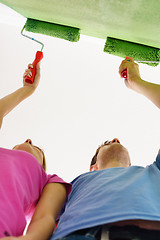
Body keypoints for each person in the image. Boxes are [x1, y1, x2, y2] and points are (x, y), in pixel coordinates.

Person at [50, 57, 160, 240]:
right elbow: (45, 219)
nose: (116, 139)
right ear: (93, 168)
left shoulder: (155, 172)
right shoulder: (70, 185)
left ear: (132, 165)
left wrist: (136, 82)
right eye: (107, 143)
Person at [0, 63, 72, 239]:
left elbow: (44, 218)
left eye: (37, 149)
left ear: (42, 167)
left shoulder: (49, 181)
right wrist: (27, 89)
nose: (28, 140)